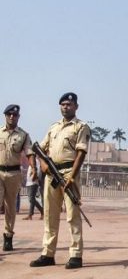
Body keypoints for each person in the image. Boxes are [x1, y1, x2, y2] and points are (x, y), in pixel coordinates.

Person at [30, 93, 90, 268]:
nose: (66, 107)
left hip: (69, 172)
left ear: (76, 107)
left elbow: (81, 153)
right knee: (50, 215)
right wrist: (43, 164)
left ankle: (76, 255)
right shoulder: (53, 127)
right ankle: (48, 253)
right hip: (51, 173)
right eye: (63, 104)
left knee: (72, 215)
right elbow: (40, 148)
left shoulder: (81, 127)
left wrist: (72, 176)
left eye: (69, 104)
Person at [2, 105, 35, 251]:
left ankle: (8, 236)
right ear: (5, 116)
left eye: (14, 115)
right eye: (9, 114)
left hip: (14, 174)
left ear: (18, 117)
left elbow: (29, 153)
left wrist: (33, 167)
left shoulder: (23, 135)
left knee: (10, 207)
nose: (11, 117)